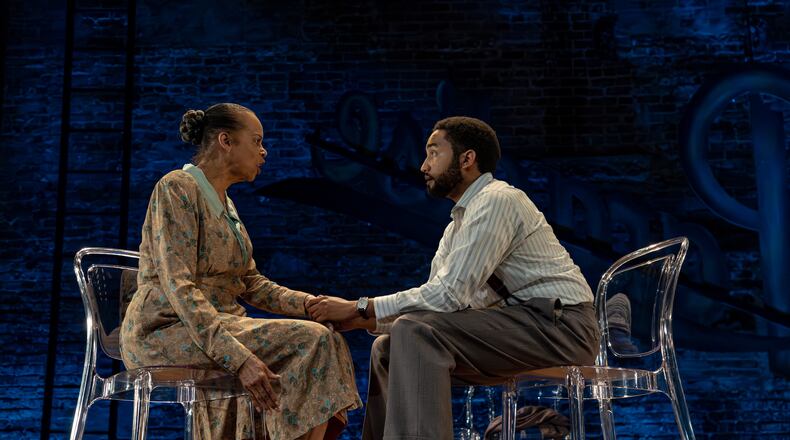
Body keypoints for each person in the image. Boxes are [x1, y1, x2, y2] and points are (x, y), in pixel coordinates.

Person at [306, 116, 600, 440]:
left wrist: (360, 306)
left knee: (414, 332)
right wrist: (364, 319)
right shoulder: (456, 227)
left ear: (467, 159)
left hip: (563, 328)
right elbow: (434, 309)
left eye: (434, 153)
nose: (423, 166)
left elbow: (447, 298)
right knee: (387, 349)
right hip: (522, 325)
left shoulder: (497, 200)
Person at [120, 103, 361, 440]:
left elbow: (251, 283)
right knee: (313, 340)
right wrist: (239, 358)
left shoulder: (227, 205)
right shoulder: (177, 188)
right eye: (257, 141)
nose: (264, 152)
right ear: (226, 141)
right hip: (166, 328)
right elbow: (180, 286)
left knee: (326, 335)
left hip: (218, 323)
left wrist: (311, 306)